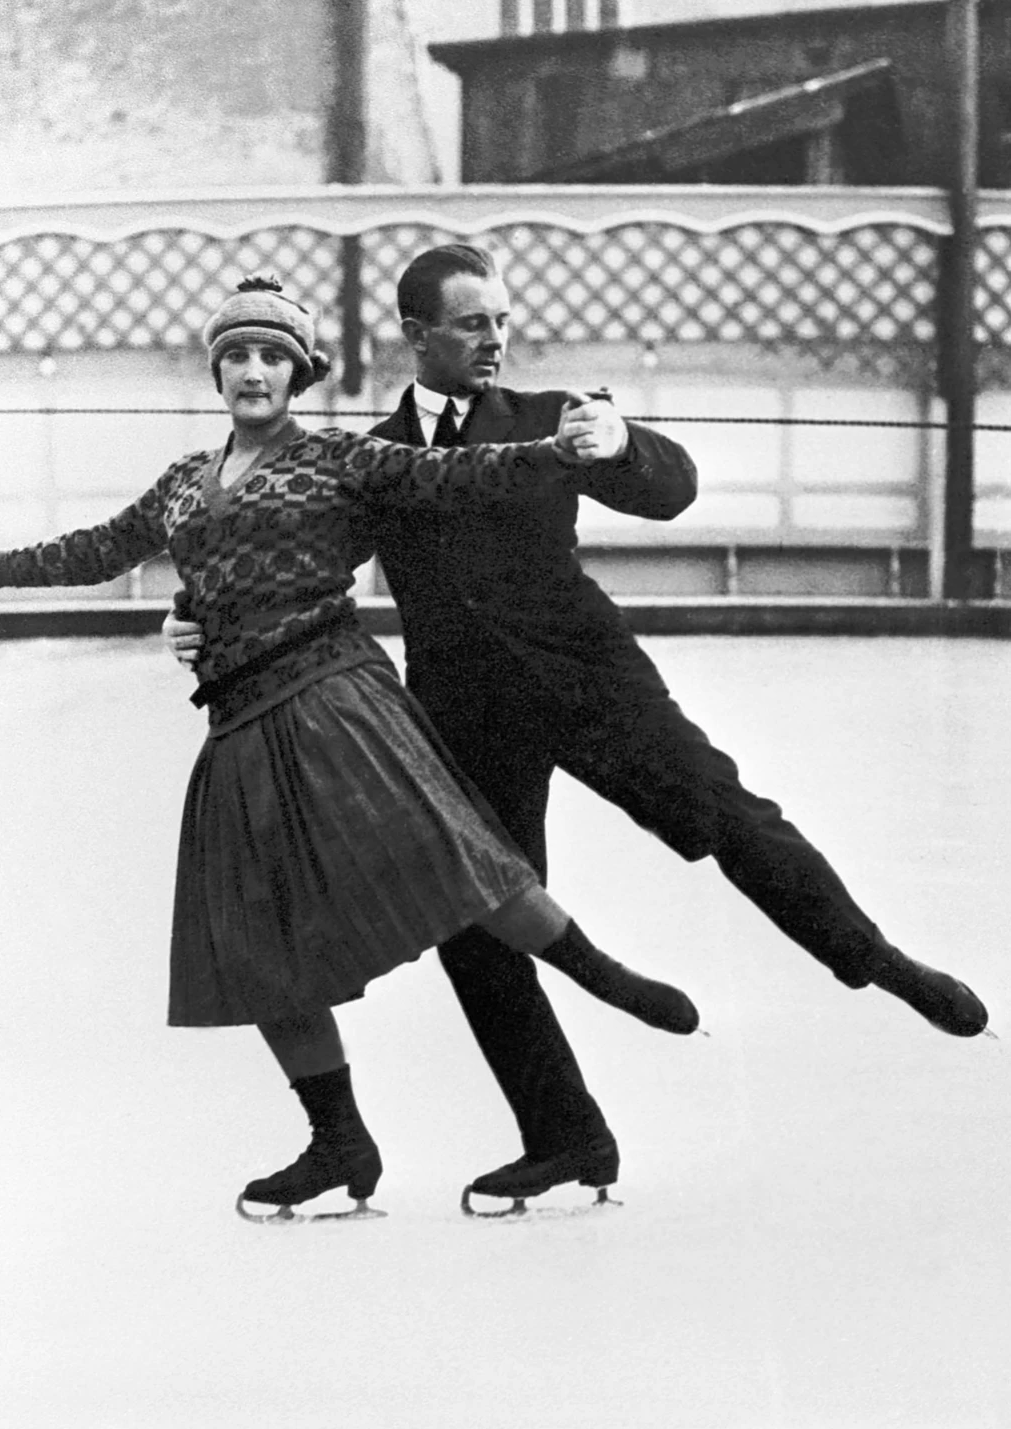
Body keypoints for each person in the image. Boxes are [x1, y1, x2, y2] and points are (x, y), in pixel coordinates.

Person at [165, 246, 990, 1213]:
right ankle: (566, 1134)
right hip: (464, 717)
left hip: (592, 684)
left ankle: (877, 961)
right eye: (473, 323)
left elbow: (671, 488)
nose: (495, 339)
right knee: (474, 923)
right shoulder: (372, 460)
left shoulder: (551, 417)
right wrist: (194, 616)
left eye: (502, 321)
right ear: (417, 335)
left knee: (728, 816)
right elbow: (279, 552)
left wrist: (624, 440)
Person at [0, 275, 702, 1222]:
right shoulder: (182, 481)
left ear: (298, 375)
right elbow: (96, 548)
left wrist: (554, 449)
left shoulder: (339, 457)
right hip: (238, 721)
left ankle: (603, 975)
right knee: (254, 940)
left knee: (450, 857)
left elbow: (456, 476)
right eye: (237, 356)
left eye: (272, 356)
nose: (254, 371)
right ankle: (339, 1138)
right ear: (218, 374)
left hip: (336, 698)